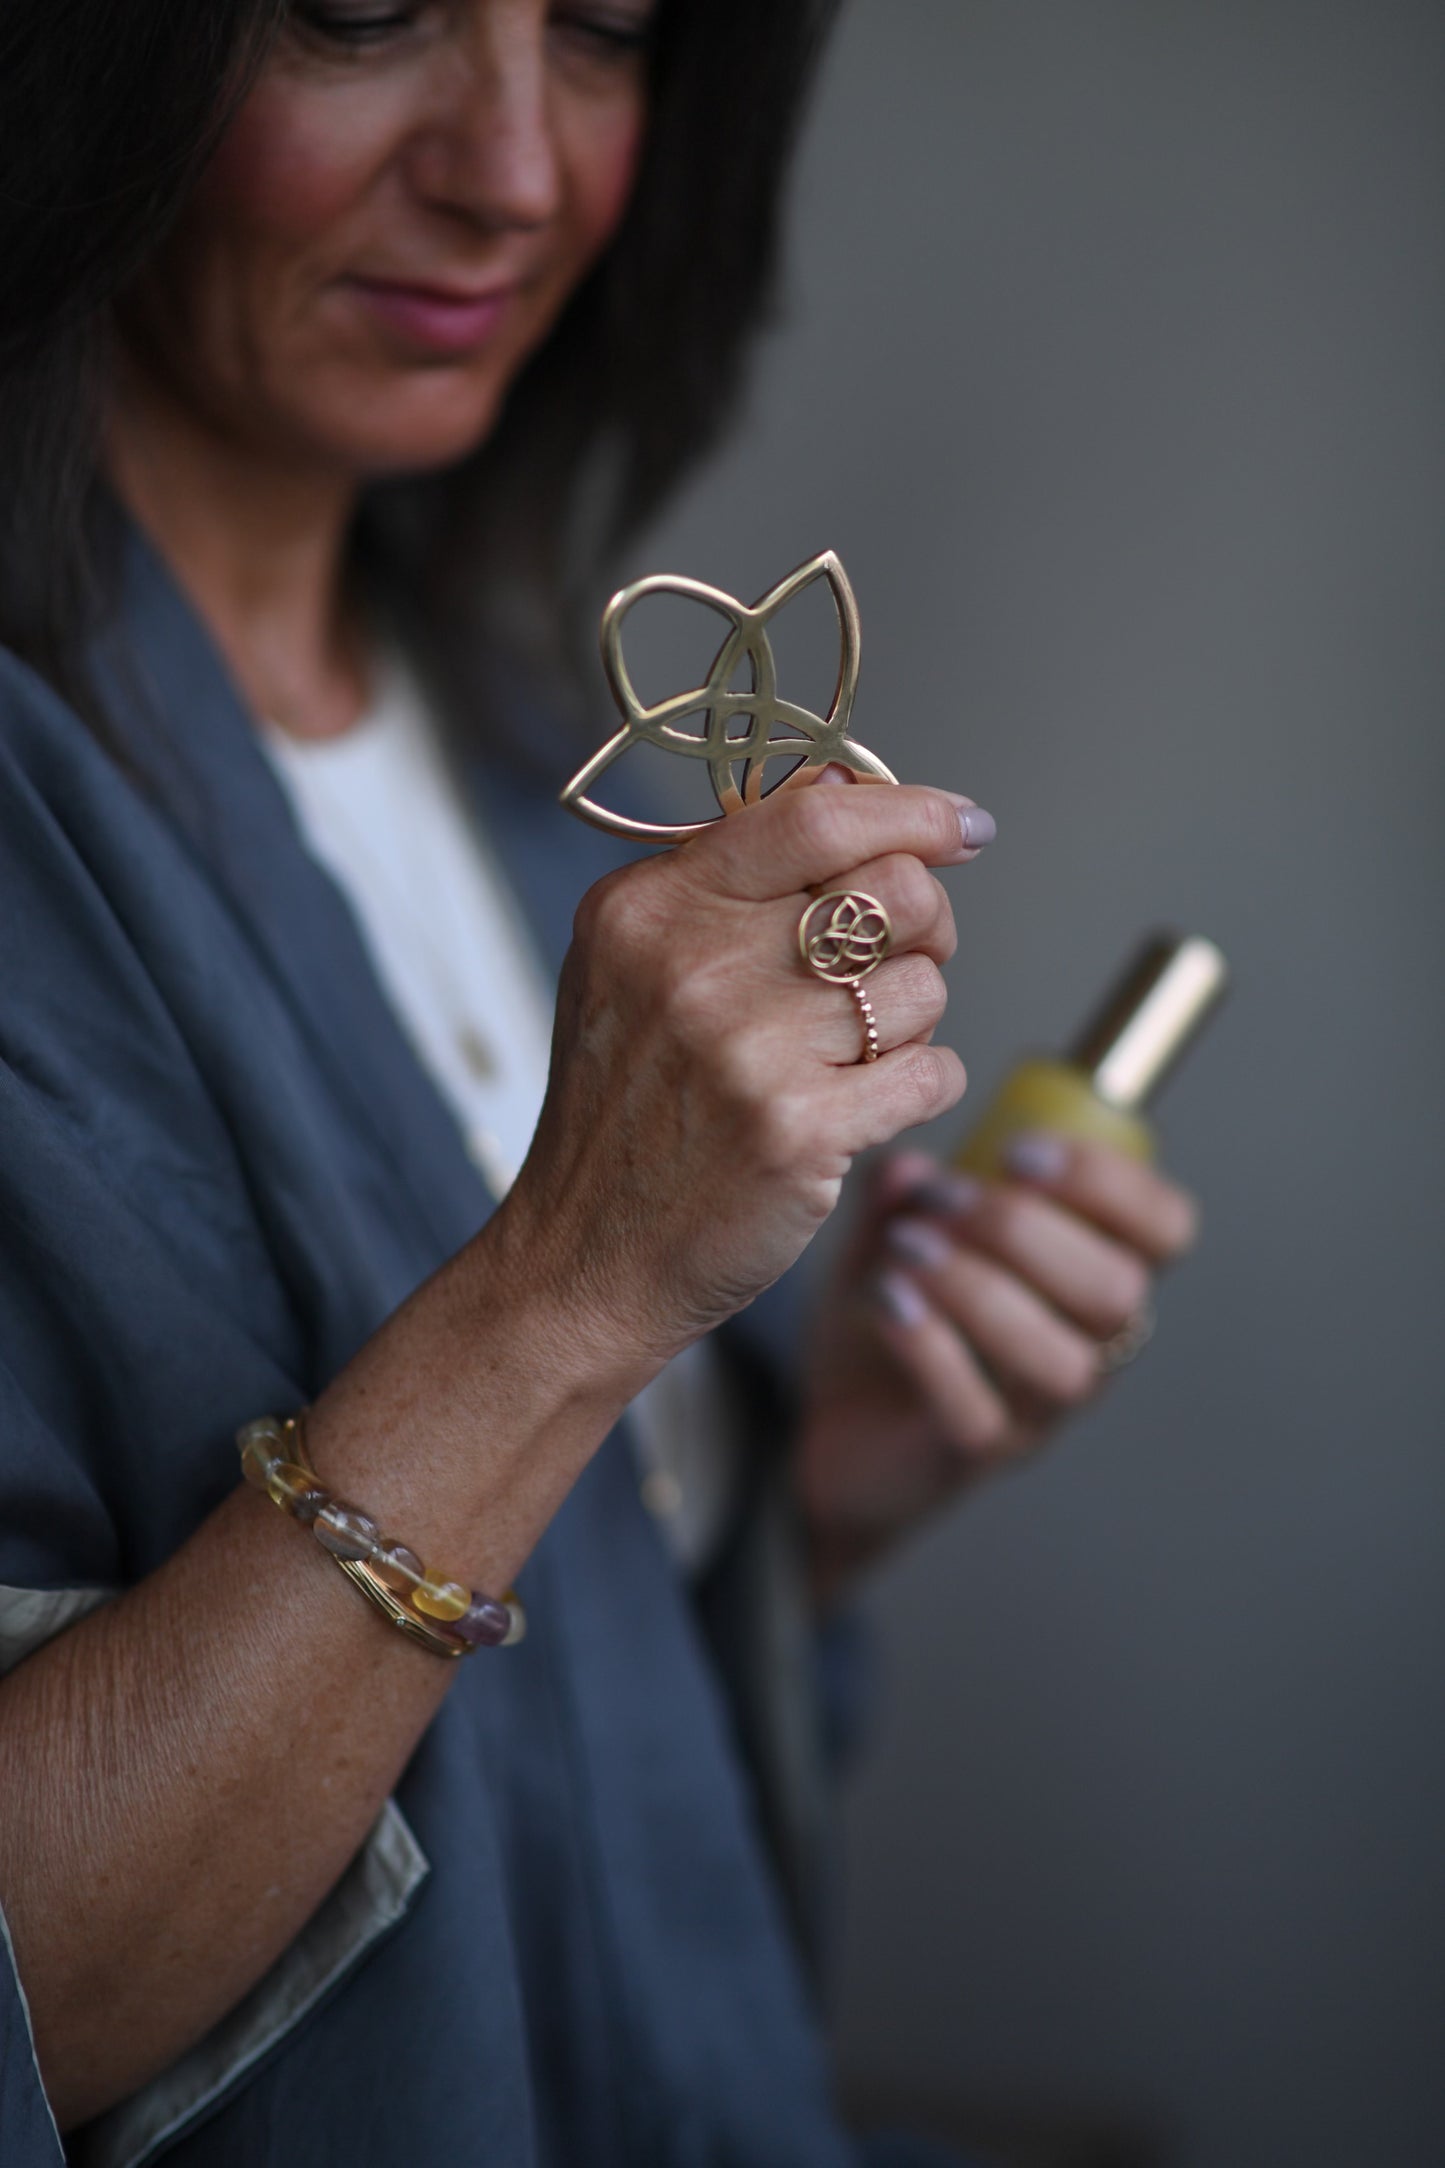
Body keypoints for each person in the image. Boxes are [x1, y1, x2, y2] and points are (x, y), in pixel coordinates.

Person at [0, 3, 1198, 2162]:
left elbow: (597, 1810)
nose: (517, 171)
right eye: (363, 17)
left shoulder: (563, 794)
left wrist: (795, 1490)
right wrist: (564, 1291)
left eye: (613, 34)